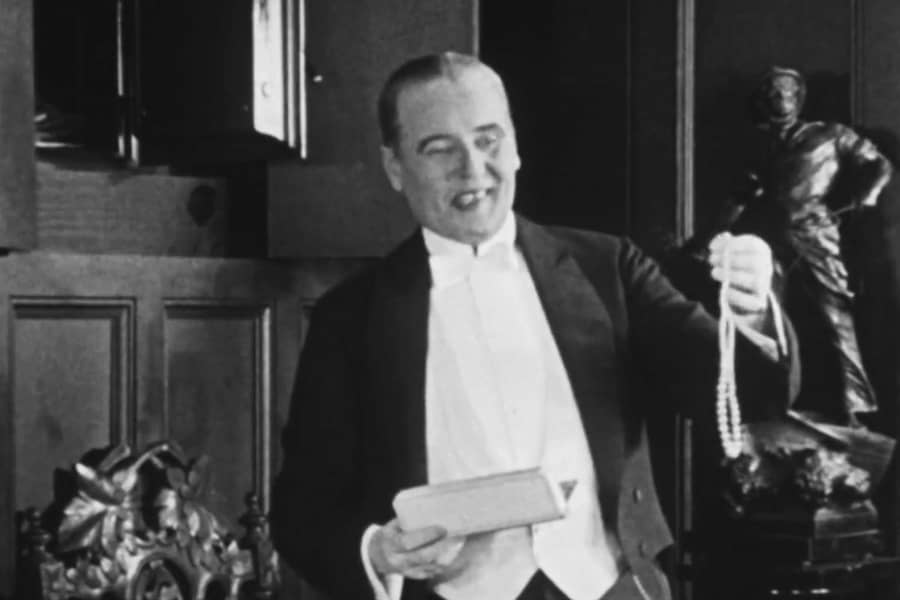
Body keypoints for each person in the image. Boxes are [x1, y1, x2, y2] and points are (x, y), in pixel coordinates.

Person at [271, 52, 793, 600]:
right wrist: (377, 551)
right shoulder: (348, 319)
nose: (473, 170)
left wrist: (753, 309)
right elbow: (302, 509)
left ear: (515, 145)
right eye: (439, 148)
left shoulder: (608, 268)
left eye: (488, 138)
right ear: (395, 167)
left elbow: (745, 392)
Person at [729, 66, 892, 425]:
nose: (780, 99)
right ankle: (773, 404)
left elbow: (879, 164)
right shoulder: (764, 146)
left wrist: (867, 196)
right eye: (772, 93)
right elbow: (742, 199)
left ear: (798, 97)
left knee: (834, 317)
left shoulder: (830, 135)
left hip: (815, 235)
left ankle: (854, 406)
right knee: (769, 319)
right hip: (768, 242)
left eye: (786, 92)